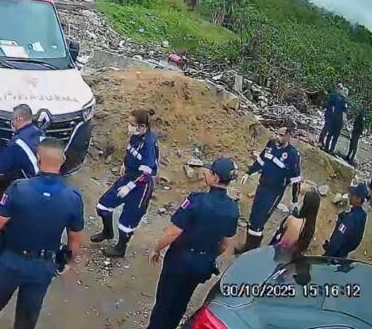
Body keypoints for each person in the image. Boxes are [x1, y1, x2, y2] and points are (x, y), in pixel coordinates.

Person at [0, 138, 84, 329]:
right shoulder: (72, 197)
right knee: (28, 313)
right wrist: (67, 261)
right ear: (62, 161)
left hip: (12, 259)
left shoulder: (19, 188)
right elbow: (74, 238)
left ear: (39, 159)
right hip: (43, 265)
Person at [146, 158, 239, 329]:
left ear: (216, 178)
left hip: (180, 259)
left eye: (210, 172)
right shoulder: (233, 209)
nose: (206, 173)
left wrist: (157, 249)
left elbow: (173, 231)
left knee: (164, 302)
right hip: (202, 264)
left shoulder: (196, 200)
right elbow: (226, 244)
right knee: (181, 301)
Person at [91, 109, 159, 258]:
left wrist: (130, 187)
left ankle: (120, 248)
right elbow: (131, 152)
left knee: (126, 223)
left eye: (132, 124)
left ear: (142, 126)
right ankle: (107, 232)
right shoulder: (136, 136)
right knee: (103, 206)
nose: (129, 127)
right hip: (128, 177)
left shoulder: (148, 144)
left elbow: (147, 173)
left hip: (141, 187)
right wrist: (124, 163)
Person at [236, 126, 302, 254]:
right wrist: (249, 173)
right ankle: (248, 246)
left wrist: (294, 199)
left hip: (274, 192)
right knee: (253, 216)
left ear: (288, 136)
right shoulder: (271, 144)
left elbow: (296, 180)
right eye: (277, 134)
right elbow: (261, 161)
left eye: (281, 135)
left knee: (259, 220)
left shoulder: (292, 155)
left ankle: (251, 250)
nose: (278, 137)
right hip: (262, 186)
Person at [0, 104, 44, 184]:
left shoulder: (18, 142)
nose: (12, 122)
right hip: (52, 183)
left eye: (13, 119)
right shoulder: (42, 134)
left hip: (33, 186)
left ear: (19, 118)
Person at [323, 183, 369, 258]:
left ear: (358, 199)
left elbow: (337, 241)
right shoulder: (363, 215)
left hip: (336, 256)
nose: (350, 195)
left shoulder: (349, 220)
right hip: (344, 254)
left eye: (353, 195)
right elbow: (354, 238)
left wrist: (327, 254)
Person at [269, 190, 320, 255]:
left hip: (278, 253)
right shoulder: (311, 227)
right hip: (293, 258)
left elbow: (279, 235)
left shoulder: (292, 220)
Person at [324, 86, 349, 153]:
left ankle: (326, 147)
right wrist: (344, 123)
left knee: (330, 134)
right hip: (339, 120)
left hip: (333, 118)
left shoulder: (336, 97)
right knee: (335, 136)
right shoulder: (345, 101)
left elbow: (332, 106)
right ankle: (331, 150)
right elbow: (344, 112)